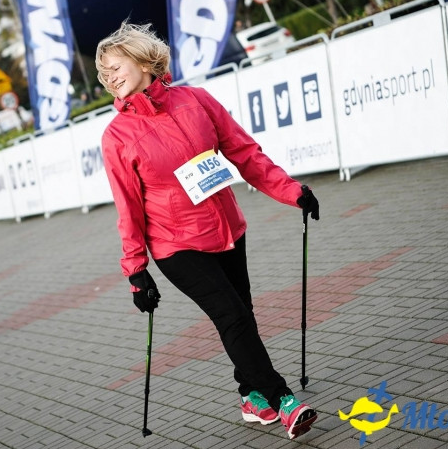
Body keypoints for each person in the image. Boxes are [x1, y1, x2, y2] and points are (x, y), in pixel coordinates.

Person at [96, 23, 322, 440]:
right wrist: (135, 271)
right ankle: (283, 399)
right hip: (176, 244)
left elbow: (244, 153)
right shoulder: (117, 137)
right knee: (232, 316)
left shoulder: (196, 100)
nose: (110, 77)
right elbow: (127, 209)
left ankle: (250, 395)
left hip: (228, 229)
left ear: (146, 60)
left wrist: (292, 192)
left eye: (116, 66)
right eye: (104, 72)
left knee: (242, 316)